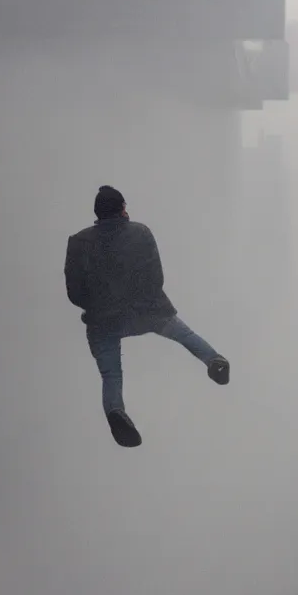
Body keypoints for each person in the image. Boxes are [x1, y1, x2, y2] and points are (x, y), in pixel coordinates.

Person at [64, 185, 230, 448]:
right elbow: (156, 278)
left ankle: (116, 413)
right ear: (122, 209)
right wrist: (138, 301)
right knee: (183, 334)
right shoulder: (141, 233)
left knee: (111, 375)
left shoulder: (78, 242)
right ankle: (214, 361)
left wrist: (99, 305)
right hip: (147, 311)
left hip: (103, 320)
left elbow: (74, 293)